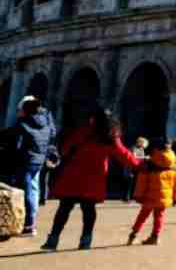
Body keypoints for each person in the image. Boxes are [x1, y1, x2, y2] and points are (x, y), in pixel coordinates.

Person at [41, 108, 143, 251]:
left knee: (64, 208)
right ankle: (85, 240)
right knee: (88, 210)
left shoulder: (84, 130)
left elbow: (66, 147)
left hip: (75, 174)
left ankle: (53, 239)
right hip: (94, 177)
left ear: (93, 119)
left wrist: (63, 155)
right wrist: (140, 164)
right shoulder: (110, 136)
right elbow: (124, 155)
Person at [1, 97, 56, 237]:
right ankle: (31, 222)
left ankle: (29, 225)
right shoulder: (45, 122)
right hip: (38, 160)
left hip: (26, 160)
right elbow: (52, 135)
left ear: (25, 110)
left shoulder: (25, 123)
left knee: (26, 191)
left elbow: (8, 134)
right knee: (33, 189)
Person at [128, 141, 176, 246]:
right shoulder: (174, 166)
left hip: (149, 196)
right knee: (159, 217)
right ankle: (155, 237)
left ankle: (133, 235)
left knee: (142, 216)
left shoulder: (149, 165)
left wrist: (138, 196)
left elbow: (141, 182)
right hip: (164, 197)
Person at [121, 137, 148, 203]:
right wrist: (145, 157)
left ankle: (129, 197)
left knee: (133, 183)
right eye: (143, 144)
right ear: (140, 142)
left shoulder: (140, 148)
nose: (144, 146)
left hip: (136, 168)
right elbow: (134, 157)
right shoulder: (134, 148)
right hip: (130, 168)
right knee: (129, 183)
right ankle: (126, 197)